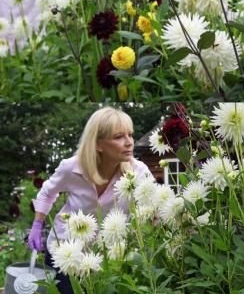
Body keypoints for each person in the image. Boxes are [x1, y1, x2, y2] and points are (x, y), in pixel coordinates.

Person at [27, 107, 152, 294]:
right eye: (119, 137)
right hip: (66, 252)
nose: (129, 143)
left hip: (107, 259)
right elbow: (46, 193)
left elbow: (154, 204)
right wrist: (37, 225)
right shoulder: (71, 168)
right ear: (98, 144)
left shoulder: (138, 172)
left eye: (130, 135)